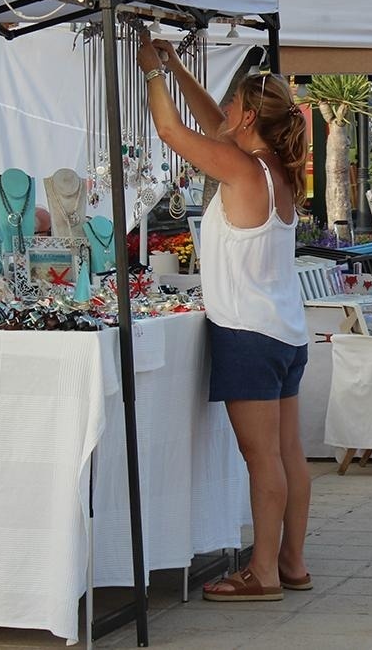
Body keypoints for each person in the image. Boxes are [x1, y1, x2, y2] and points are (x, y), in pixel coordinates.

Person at [139, 35, 311, 603]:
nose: (225, 114)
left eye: (232, 106)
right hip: (284, 332)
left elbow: (171, 132)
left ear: (246, 119)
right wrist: (178, 67)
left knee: (262, 460)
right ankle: (291, 562)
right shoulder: (275, 171)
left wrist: (153, 76)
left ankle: (261, 573)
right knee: (287, 456)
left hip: (248, 333)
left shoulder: (242, 170)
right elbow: (214, 123)